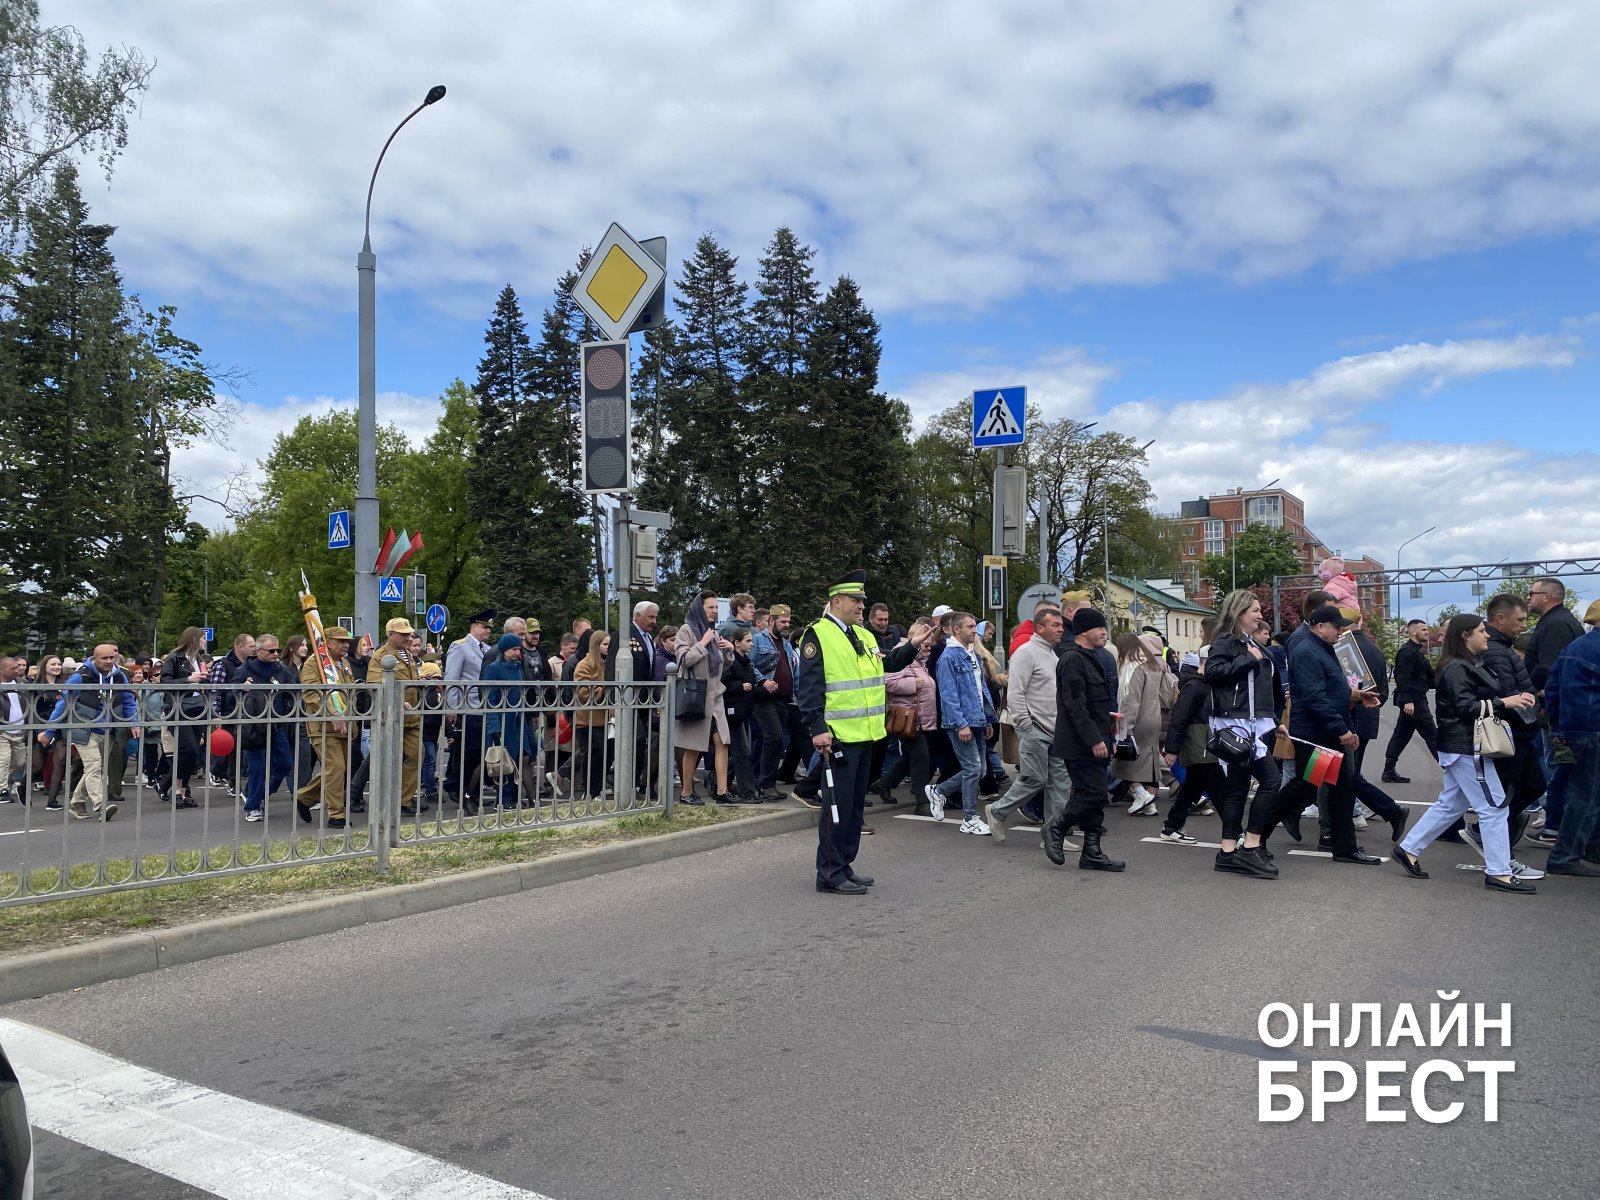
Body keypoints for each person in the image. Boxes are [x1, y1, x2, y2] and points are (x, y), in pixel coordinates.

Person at [796, 569, 928, 894]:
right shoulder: (817, 635)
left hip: (867, 735)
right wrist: (817, 728)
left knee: (854, 807)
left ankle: (845, 865)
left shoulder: (863, 636)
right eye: (856, 600)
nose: (860, 606)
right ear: (837, 601)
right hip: (839, 737)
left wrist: (912, 645)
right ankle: (829, 873)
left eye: (861, 601)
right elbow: (810, 688)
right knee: (837, 808)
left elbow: (886, 667)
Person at [1393, 614, 1538, 893]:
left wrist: (1506, 701)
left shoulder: (1463, 663)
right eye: (1482, 631)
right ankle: (1499, 872)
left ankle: (1409, 849)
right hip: (1467, 747)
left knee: (1452, 804)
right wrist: (1506, 702)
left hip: (1462, 747)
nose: (1487, 635)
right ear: (1465, 636)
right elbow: (1466, 707)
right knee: (1495, 808)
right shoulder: (1458, 666)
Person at [1280, 606, 1383, 867]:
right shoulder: (1307, 650)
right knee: (1305, 787)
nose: (1341, 631)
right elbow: (1315, 698)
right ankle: (1259, 829)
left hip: (1327, 733)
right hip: (1318, 735)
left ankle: (1344, 847)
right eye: (1336, 626)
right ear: (1320, 626)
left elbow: (1333, 688)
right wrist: (1342, 730)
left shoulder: (1324, 648)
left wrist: (1358, 696)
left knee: (1340, 788)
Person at [1204, 591, 1289, 877]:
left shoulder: (1250, 644)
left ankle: (1227, 851)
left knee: (1237, 789)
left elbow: (1261, 690)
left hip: (1251, 724)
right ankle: (1250, 846)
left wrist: (1274, 720)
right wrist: (1248, 660)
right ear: (1239, 612)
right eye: (1254, 610)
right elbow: (1213, 673)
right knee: (1271, 779)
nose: (1260, 614)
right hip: (1236, 726)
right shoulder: (1227, 642)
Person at [1043, 608, 1124, 871]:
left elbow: (1095, 704)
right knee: (1094, 793)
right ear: (1083, 632)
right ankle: (1056, 827)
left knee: (1097, 797)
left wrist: (1107, 734)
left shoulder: (1091, 657)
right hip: (1079, 743)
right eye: (1099, 627)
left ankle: (1092, 852)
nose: (1104, 632)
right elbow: (1075, 705)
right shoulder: (1072, 660)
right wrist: (1093, 739)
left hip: (1097, 738)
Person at [987, 606, 1075, 844]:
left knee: (1060, 786)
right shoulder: (1026, 653)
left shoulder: (1052, 654)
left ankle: (1053, 836)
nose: (1061, 629)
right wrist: (1026, 725)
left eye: (1061, 625)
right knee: (1035, 779)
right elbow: (1015, 693)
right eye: (1055, 625)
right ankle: (997, 811)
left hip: (1056, 731)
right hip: (1035, 729)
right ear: (1039, 627)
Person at [40, 643, 136, 821]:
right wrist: (50, 730)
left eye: (111, 658)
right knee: (94, 767)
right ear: (94, 658)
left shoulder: (120, 676)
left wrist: (134, 723)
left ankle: (76, 803)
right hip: (83, 730)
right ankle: (100, 806)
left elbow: (128, 700)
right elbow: (62, 704)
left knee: (95, 769)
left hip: (109, 730)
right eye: (104, 658)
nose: (109, 661)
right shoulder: (79, 677)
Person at [924, 611, 997, 835]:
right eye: (970, 627)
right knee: (973, 768)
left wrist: (987, 719)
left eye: (975, 626)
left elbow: (980, 689)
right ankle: (970, 818)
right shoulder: (949, 657)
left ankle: (939, 790)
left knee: (981, 769)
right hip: (961, 723)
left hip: (977, 720)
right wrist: (960, 724)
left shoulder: (972, 654)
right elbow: (948, 695)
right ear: (956, 630)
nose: (975, 631)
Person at [1543, 598, 1600, 876]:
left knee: (1589, 792)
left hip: (1576, 729)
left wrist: (1558, 728)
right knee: (1586, 795)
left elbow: (1552, 689)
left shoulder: (1573, 648)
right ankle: (1565, 856)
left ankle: (1591, 847)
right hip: (1595, 729)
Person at [1525, 578, 1585, 841]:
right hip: (1558, 704)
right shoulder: (1557, 621)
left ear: (1547, 597)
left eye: (1532, 593)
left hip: (1553, 706)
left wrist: (1538, 690)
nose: (1528, 597)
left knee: (1552, 763)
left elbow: (1549, 668)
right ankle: (1555, 819)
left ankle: (1555, 821)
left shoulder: (1556, 624)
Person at [875, 619, 942, 813]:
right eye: (926, 645)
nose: (928, 649)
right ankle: (922, 802)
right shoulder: (902, 655)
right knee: (921, 756)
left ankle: (884, 783)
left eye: (930, 645)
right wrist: (915, 684)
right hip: (906, 717)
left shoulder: (922, 660)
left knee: (912, 757)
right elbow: (888, 681)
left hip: (921, 718)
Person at [231, 631, 297, 823]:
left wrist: (288, 709)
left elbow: (293, 690)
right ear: (259, 651)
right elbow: (229, 692)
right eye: (271, 651)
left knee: (285, 763)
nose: (276, 653)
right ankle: (252, 807)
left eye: (277, 649)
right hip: (254, 725)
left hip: (276, 723)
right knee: (256, 767)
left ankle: (260, 794)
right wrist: (242, 688)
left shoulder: (281, 669)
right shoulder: (245, 669)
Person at [675, 591, 732, 805]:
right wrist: (702, 643)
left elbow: (719, 668)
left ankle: (722, 791)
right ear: (700, 608)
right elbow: (683, 660)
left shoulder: (714, 633)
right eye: (710, 607)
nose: (714, 611)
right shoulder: (687, 630)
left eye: (716, 607)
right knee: (693, 746)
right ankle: (686, 792)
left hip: (715, 698)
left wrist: (728, 652)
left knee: (721, 742)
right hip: (696, 698)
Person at [1159, 646, 1221, 843]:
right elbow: (1179, 717)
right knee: (1220, 789)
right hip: (1199, 742)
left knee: (1193, 786)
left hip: (1201, 741)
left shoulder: (1201, 684)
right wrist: (1171, 749)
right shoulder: (1196, 686)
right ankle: (1235, 833)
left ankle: (1171, 827)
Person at [1112, 632, 1178, 814]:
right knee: (1149, 760)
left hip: (1138, 719)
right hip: (1155, 717)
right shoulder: (1152, 665)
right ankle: (1150, 804)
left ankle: (1141, 794)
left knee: (1124, 760)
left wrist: (1125, 727)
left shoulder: (1133, 667)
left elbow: (1130, 699)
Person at [298, 626, 356, 827]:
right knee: (336, 768)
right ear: (327, 642)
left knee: (340, 769)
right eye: (340, 641)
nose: (346, 644)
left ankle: (305, 797)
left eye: (347, 641)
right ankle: (336, 816)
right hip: (323, 725)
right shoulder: (315, 663)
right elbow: (311, 693)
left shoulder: (344, 662)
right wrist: (332, 712)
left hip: (345, 725)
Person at [368, 617, 426, 815]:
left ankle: (403, 800)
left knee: (417, 755)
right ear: (390, 635)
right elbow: (374, 683)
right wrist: (397, 700)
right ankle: (381, 801)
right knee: (384, 760)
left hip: (411, 717)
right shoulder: (380, 656)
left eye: (409, 634)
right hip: (391, 717)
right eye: (403, 634)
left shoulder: (408, 655)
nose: (408, 637)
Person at [751, 603, 805, 800]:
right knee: (773, 737)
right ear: (771, 621)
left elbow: (794, 672)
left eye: (788, 621)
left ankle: (760, 782)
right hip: (765, 698)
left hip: (784, 699)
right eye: (782, 621)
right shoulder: (757, 640)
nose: (786, 625)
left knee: (776, 740)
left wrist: (801, 695)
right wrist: (763, 680)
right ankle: (765, 784)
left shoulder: (787, 645)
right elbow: (748, 664)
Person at [443, 608, 494, 814]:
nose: (488, 630)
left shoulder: (487, 649)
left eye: (489, 627)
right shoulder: (460, 647)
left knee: (481, 754)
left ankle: (472, 791)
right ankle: (464, 792)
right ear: (474, 627)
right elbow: (452, 678)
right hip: (468, 707)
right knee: (470, 755)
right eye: (484, 626)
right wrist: (451, 707)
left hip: (484, 708)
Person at [483, 632, 536, 809]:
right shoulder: (494, 668)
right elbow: (489, 698)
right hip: (503, 721)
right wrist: (494, 725)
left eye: (518, 649)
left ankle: (516, 797)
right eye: (513, 649)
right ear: (504, 650)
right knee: (503, 762)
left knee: (522, 759)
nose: (516, 653)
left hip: (518, 721)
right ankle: (503, 799)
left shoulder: (518, 667)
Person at [1383, 619, 1439, 781]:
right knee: (1432, 735)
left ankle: (1388, 770)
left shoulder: (1415, 651)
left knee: (1401, 735)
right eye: (1424, 630)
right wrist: (1408, 701)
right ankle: (1451, 771)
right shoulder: (1407, 652)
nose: (1427, 632)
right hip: (1414, 702)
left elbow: (1426, 677)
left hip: (1416, 700)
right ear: (1413, 632)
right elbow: (1403, 677)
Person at [720, 626, 760, 802]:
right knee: (742, 752)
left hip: (744, 710)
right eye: (748, 641)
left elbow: (751, 684)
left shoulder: (747, 661)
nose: (751, 644)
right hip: (732, 711)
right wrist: (740, 687)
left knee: (741, 751)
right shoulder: (730, 661)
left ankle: (716, 779)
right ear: (737, 643)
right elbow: (722, 685)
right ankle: (747, 792)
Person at [573, 630, 613, 799]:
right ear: (596, 645)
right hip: (588, 721)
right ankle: (591, 792)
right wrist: (605, 689)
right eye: (605, 644)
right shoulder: (584, 664)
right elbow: (583, 692)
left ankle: (598, 787)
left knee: (609, 754)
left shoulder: (610, 663)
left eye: (610, 644)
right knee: (594, 755)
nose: (608, 648)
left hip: (607, 721)